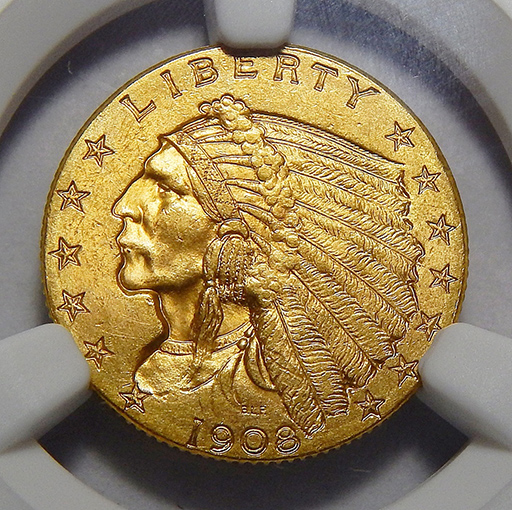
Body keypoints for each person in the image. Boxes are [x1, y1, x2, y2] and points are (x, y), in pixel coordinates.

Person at [113, 94, 423, 438]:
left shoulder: (256, 383)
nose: (123, 206)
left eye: (166, 189)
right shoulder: (157, 368)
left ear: (237, 234)